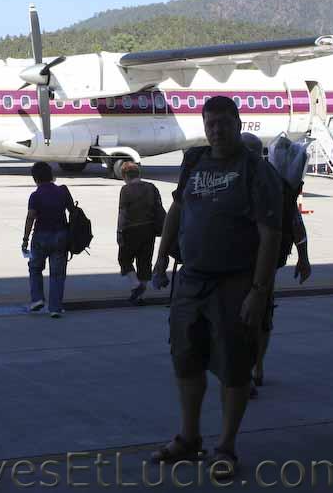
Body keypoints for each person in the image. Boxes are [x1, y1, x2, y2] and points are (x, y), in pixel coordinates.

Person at [148, 96, 283, 478]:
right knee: (186, 357)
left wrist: (259, 291)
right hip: (191, 280)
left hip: (235, 282)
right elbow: (177, 209)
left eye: (224, 122)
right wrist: (161, 259)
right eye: (210, 124)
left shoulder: (256, 170)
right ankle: (189, 438)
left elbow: (270, 234)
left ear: (239, 123)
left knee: (234, 365)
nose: (217, 130)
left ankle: (225, 446)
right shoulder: (194, 161)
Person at [248, 134, 312, 397]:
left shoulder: (269, 184)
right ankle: (256, 367)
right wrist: (303, 256)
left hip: (253, 261)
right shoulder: (278, 183)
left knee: (254, 316)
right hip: (267, 262)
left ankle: (251, 368)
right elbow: (295, 221)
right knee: (261, 315)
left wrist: (304, 256)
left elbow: (293, 219)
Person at [22, 161, 73, 317]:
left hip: (40, 236)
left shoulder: (35, 195)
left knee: (35, 267)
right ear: (51, 175)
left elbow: (31, 217)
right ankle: (55, 308)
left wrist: (25, 239)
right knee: (58, 273)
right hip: (60, 235)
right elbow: (73, 211)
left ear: (35, 178)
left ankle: (37, 299)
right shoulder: (63, 192)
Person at [116, 161, 163, 305]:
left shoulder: (126, 190)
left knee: (124, 259)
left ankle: (136, 285)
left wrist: (119, 231)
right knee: (144, 261)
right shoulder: (151, 187)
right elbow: (159, 208)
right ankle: (141, 296)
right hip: (149, 229)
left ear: (124, 175)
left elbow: (122, 212)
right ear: (138, 173)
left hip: (131, 230)